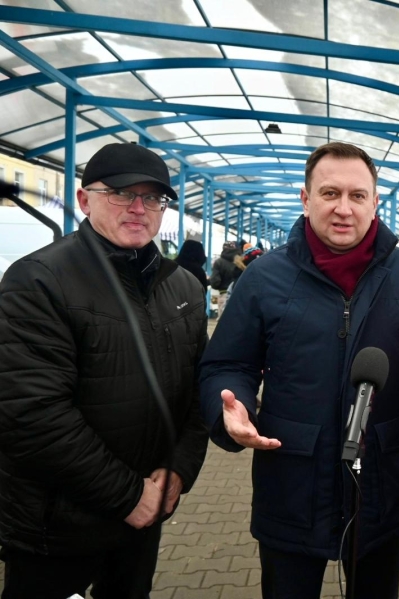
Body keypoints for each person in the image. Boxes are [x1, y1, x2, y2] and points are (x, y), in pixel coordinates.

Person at [199, 142, 399, 599]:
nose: (344, 208)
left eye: (357, 195)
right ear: (306, 198)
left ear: (375, 202)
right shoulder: (265, 277)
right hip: (291, 482)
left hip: (383, 484)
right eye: (330, 193)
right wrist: (230, 410)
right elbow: (227, 364)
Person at [0, 142, 209, 598]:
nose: (138, 208)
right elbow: (31, 414)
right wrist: (128, 496)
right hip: (57, 527)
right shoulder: (38, 281)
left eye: (152, 198)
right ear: (83, 200)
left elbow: (200, 393)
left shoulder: (183, 287)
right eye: (120, 193)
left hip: (145, 515)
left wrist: (178, 472)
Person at [210, 240, 239, 313]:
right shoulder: (239, 262)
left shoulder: (219, 262)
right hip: (238, 295)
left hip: (223, 294)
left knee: (223, 318)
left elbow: (215, 282)